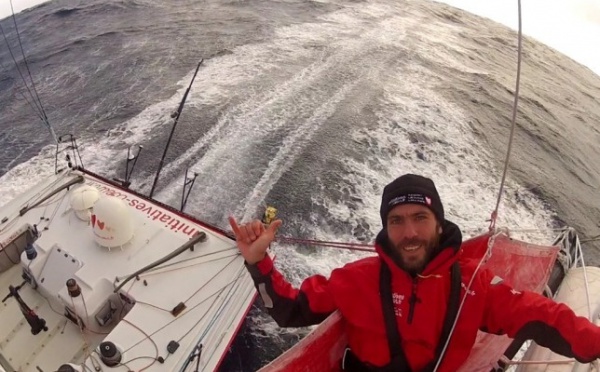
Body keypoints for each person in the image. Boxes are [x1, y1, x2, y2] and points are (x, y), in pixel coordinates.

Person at [228, 174, 600, 371]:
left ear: (439, 224)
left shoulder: (473, 284)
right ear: (386, 229)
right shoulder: (357, 279)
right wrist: (258, 262)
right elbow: (289, 309)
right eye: (397, 221)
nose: (409, 233)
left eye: (421, 218)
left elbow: (539, 315)